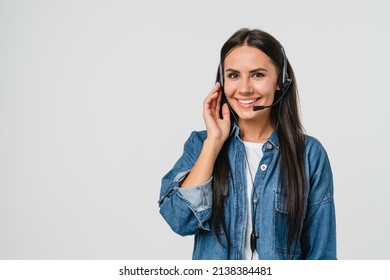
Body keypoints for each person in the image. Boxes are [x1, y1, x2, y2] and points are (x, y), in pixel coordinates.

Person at [158, 28, 336, 260]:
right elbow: (180, 220)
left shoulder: (309, 154)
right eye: (233, 75)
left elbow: (321, 255)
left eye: (257, 75)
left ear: (280, 82)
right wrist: (214, 142)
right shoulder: (201, 144)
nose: (244, 88)